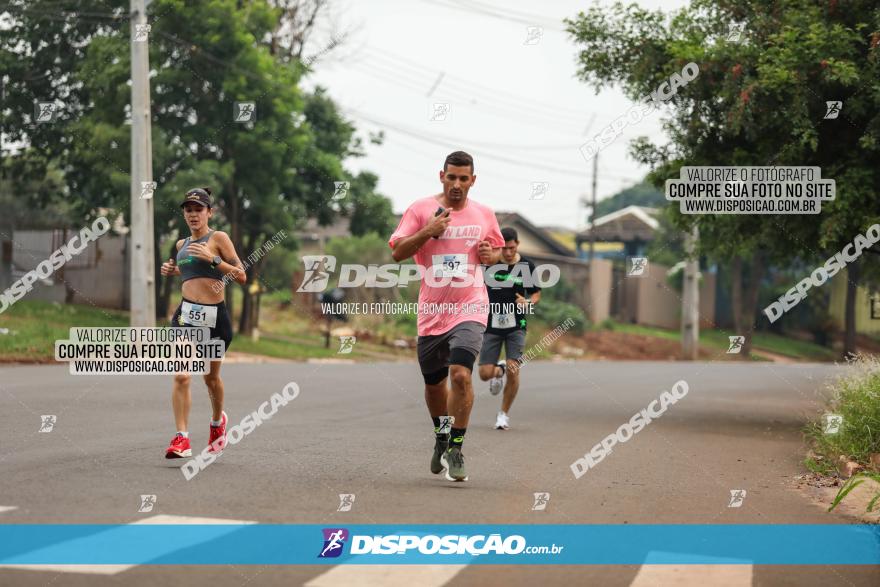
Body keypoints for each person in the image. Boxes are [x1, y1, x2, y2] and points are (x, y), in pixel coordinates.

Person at [389, 151, 503, 482]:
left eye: (463, 178)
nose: (456, 184)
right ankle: (441, 435)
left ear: (472, 180)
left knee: (461, 376)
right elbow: (397, 252)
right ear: (441, 176)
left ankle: (455, 446)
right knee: (434, 384)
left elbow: (495, 252)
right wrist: (428, 230)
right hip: (433, 311)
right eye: (451, 177)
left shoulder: (484, 214)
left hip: (471, 305)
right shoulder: (421, 209)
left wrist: (490, 255)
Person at [160, 187, 246, 459]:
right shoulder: (180, 245)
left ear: (210, 212)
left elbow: (241, 275)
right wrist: (174, 271)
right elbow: (192, 276)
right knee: (182, 374)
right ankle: (181, 439)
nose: (193, 214)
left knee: (211, 379)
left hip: (214, 319)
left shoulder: (218, 238)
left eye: (199, 210)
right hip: (186, 317)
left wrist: (214, 260)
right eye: (188, 210)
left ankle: (218, 423)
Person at [477, 227, 541, 430]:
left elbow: (536, 294)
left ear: (517, 245)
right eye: (504, 248)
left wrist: (528, 302)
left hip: (517, 324)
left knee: (515, 370)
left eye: (511, 248)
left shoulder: (526, 266)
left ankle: (503, 414)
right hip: (491, 323)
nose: (507, 252)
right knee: (484, 373)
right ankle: (498, 371)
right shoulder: (490, 264)